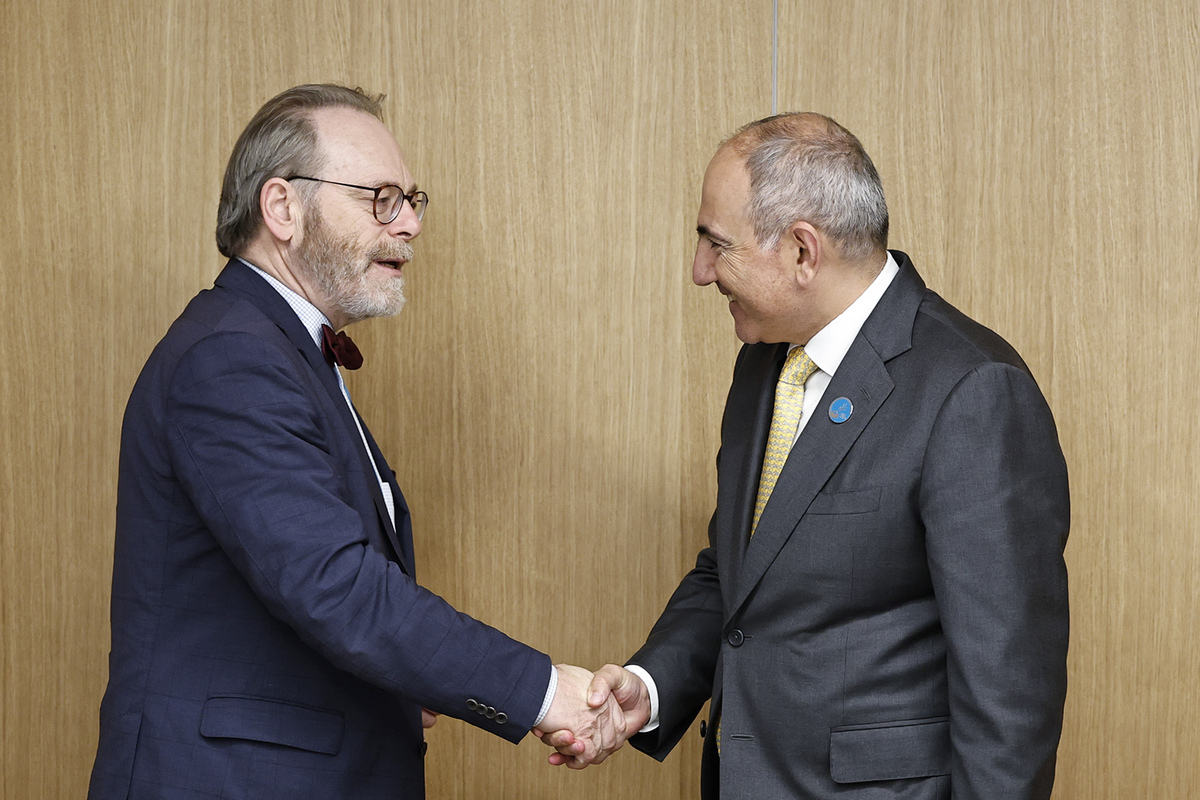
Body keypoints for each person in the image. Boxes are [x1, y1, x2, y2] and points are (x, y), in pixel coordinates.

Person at [87, 84, 623, 800]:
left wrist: (406, 681)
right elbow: (334, 586)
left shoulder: (281, 349)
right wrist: (541, 691)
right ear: (282, 208)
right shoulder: (230, 357)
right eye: (381, 199)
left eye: (411, 200)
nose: (411, 224)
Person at [541, 113, 1070, 799]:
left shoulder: (971, 391)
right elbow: (739, 573)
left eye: (716, 244)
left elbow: (1009, 698)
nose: (700, 271)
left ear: (802, 251)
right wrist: (651, 685)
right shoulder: (765, 362)